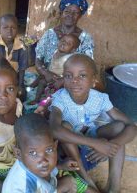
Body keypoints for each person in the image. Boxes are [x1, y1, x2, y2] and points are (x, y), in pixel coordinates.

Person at [49, 54, 137, 192]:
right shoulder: (60, 99)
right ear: (63, 79)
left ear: (93, 80)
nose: (75, 81)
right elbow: (53, 129)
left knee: (119, 127)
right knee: (65, 126)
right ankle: (86, 179)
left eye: (82, 76)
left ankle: (114, 187)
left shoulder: (100, 99)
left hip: (92, 151)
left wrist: (112, 146)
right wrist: (97, 144)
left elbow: (131, 126)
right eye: (68, 75)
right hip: (69, 157)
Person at [2, 113, 89, 193]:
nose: (44, 161)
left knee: (71, 181)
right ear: (18, 154)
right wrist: (61, 189)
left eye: (49, 150)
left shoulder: (32, 165)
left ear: (55, 146)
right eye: (33, 153)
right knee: (69, 182)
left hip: (48, 186)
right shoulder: (22, 186)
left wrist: (61, 166)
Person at [35, 0, 94, 90]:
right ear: (61, 12)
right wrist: (45, 73)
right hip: (47, 77)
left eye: (75, 13)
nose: (70, 15)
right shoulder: (49, 34)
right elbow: (38, 58)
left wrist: (64, 80)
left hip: (72, 81)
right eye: (67, 11)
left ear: (80, 16)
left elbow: (88, 65)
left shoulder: (85, 38)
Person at [0, 14, 31, 100]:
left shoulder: (22, 46)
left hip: (15, 77)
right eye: (5, 27)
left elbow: (22, 69)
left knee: (21, 94)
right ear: (0, 28)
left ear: (17, 29)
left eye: (13, 28)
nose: (9, 31)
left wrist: (20, 85)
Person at [31, 34, 80, 104]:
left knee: (52, 93)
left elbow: (73, 72)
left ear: (73, 50)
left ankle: (45, 103)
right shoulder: (56, 51)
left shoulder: (70, 58)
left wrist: (62, 80)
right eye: (63, 41)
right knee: (41, 81)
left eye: (68, 44)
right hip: (50, 75)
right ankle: (36, 98)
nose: (64, 43)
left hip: (58, 80)